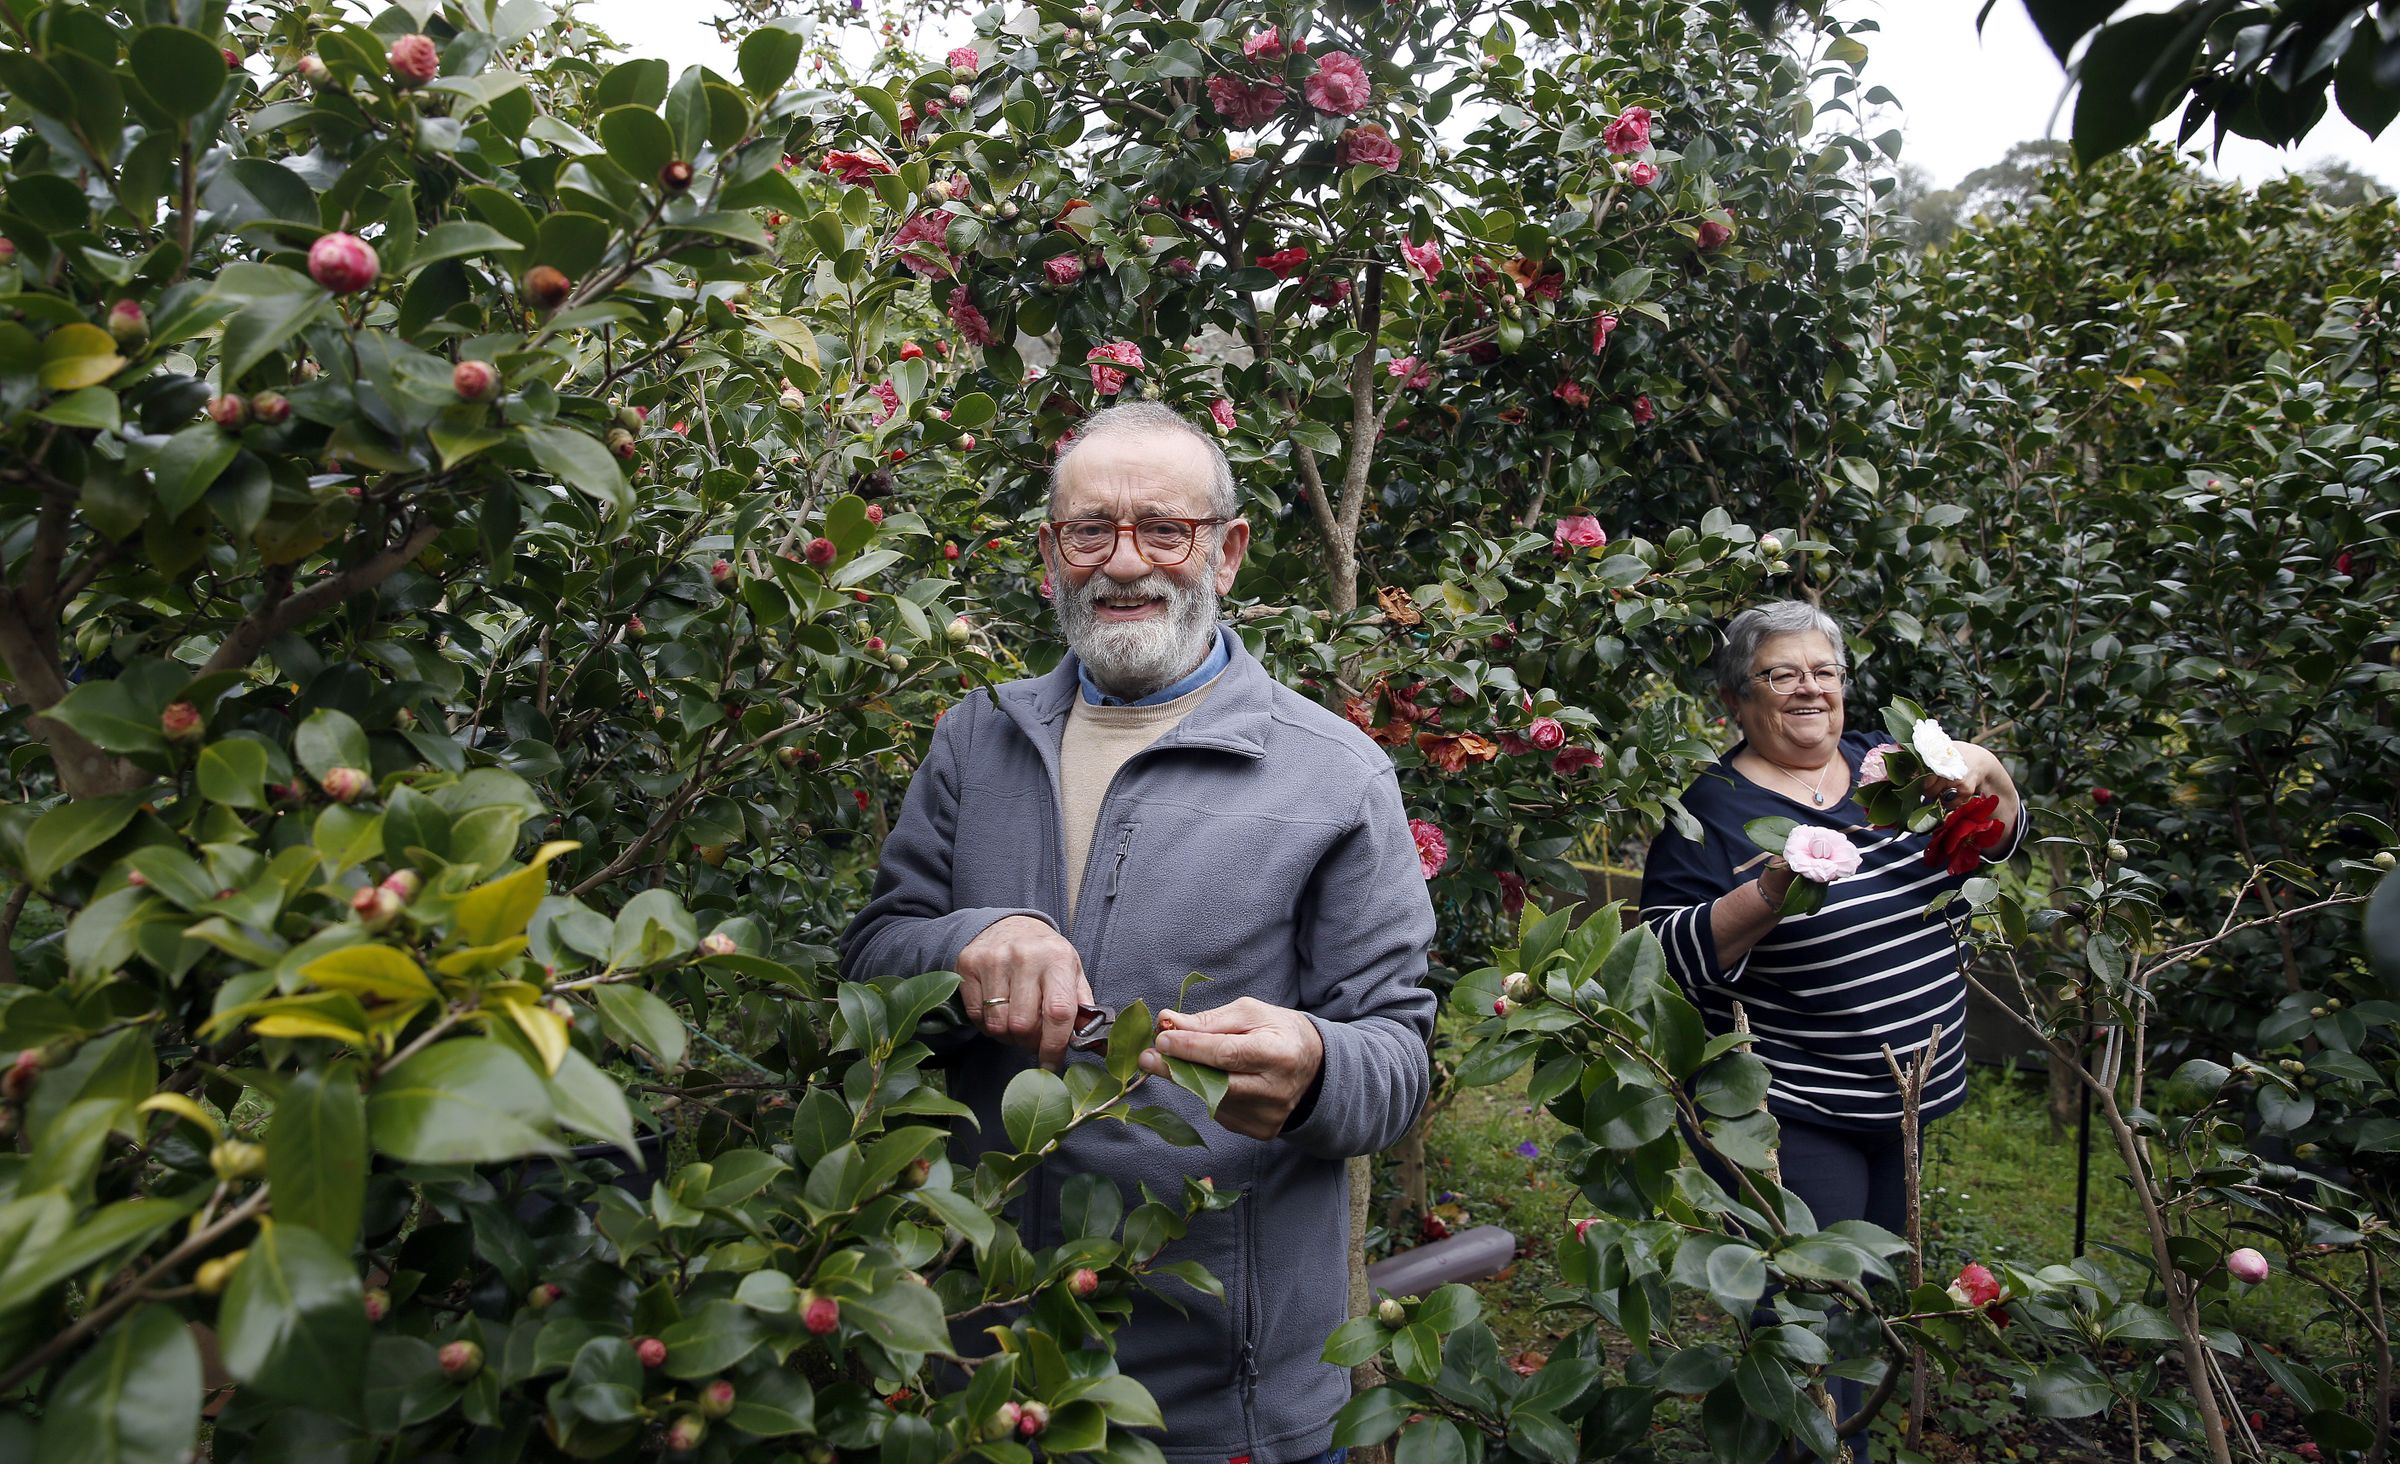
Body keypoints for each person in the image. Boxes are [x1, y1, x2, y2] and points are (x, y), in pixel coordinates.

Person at [841, 402, 1436, 1464]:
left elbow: (1396, 1060)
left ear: (1227, 550)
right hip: (975, 1364)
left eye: (1164, 529)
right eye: (1089, 530)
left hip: (1219, 1399)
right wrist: (968, 945)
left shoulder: (1333, 774)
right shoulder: (976, 739)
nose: (1125, 562)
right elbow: (872, 963)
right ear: (1049, 552)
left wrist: (1315, 1069)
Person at [1637, 599, 2024, 1460]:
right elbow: (1657, 957)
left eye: (1825, 672)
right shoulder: (1709, 807)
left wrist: (1986, 768)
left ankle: (1843, 1444)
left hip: (1911, 1099)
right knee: (1806, 1317)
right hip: (1797, 1113)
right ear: (1738, 701)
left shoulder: (1890, 773)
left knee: (1875, 1306)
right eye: (1782, 674)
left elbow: (1989, 847)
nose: (1809, 689)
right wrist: (1772, 888)